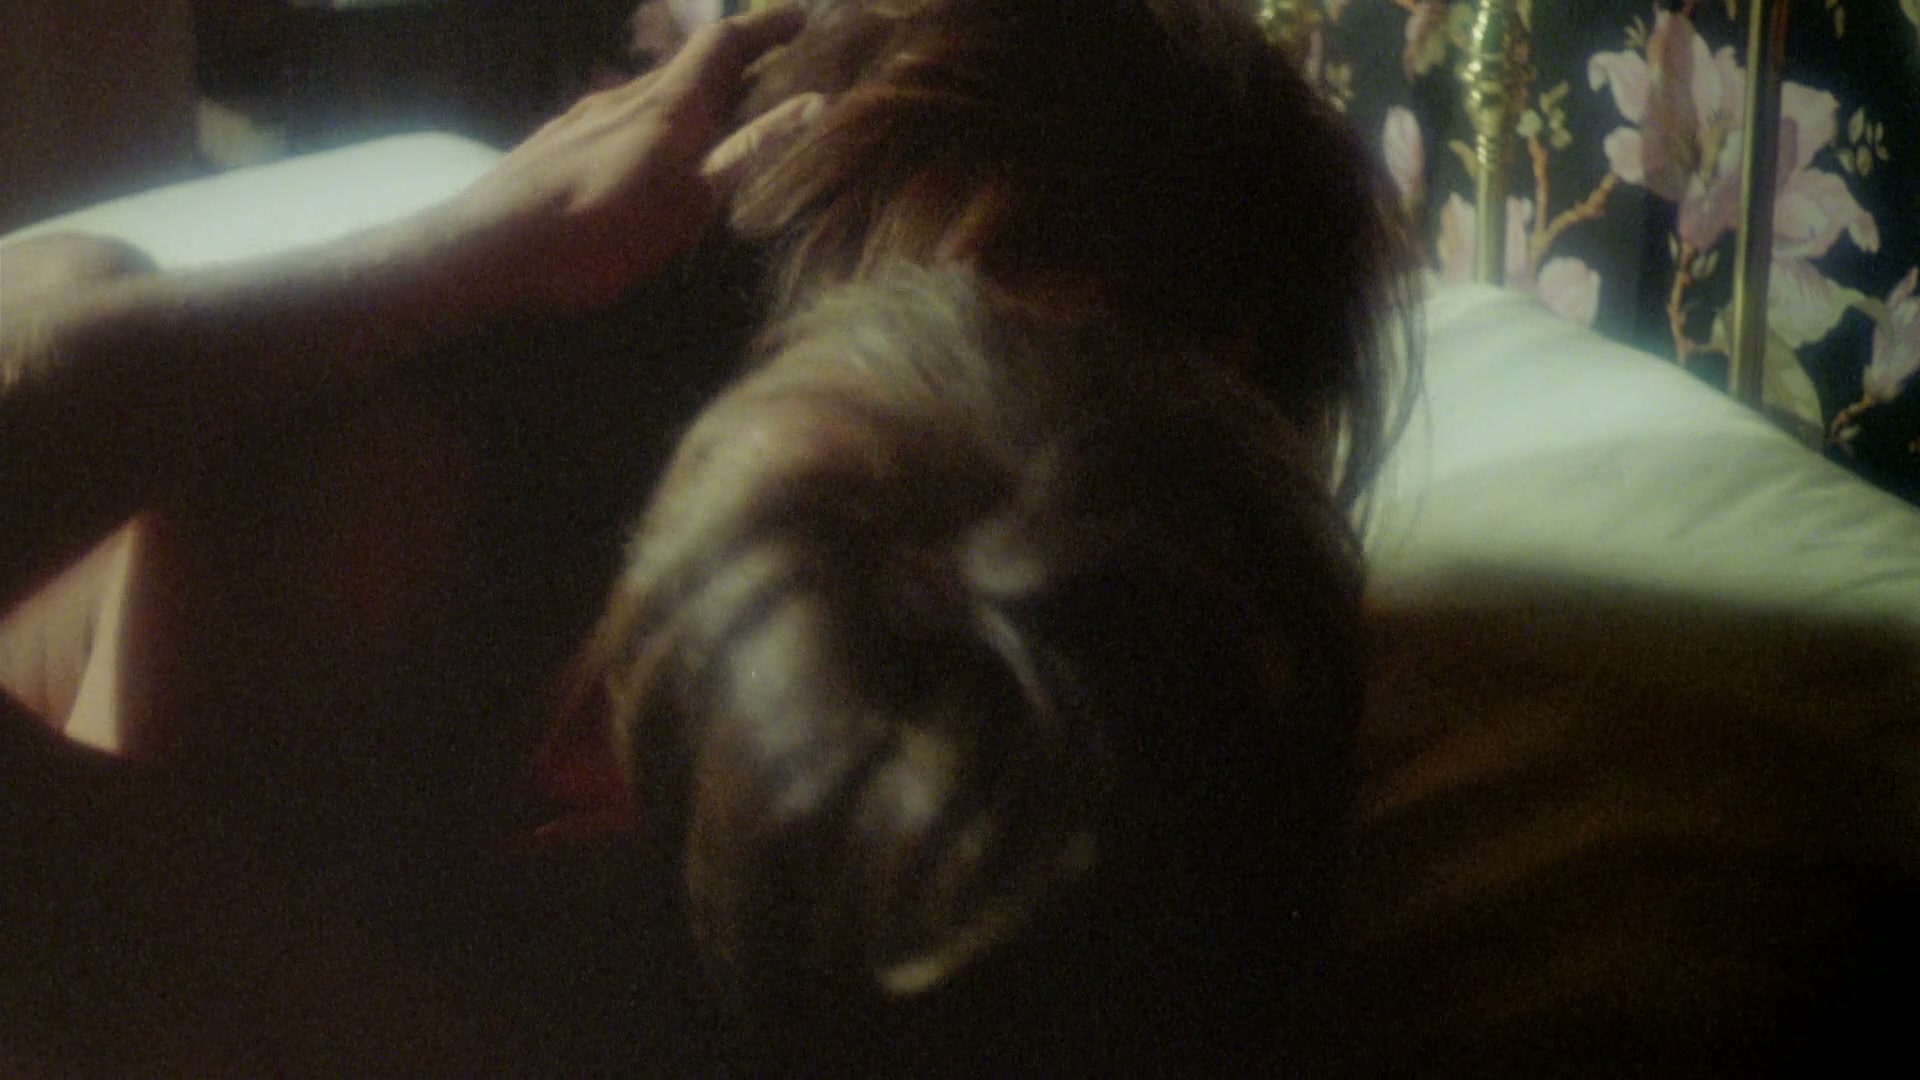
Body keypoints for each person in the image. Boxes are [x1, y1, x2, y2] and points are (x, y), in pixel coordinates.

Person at [3, 0, 1401, 1070]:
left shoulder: (1078, 722)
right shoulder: (373, 514)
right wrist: (452, 259)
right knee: (86, 283)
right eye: (1021, 357)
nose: (1071, 485)